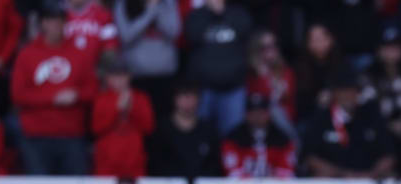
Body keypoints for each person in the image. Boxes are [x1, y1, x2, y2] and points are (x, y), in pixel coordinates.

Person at [11, 2, 97, 176]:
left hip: (72, 135)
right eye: (51, 21)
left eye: (59, 21)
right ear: (42, 24)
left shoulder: (79, 53)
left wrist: (77, 95)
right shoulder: (27, 54)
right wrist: (53, 98)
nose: (56, 25)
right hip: (36, 136)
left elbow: (93, 90)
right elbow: (18, 94)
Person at [302, 70, 394, 179]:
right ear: (334, 93)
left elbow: (389, 155)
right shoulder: (322, 118)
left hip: (368, 183)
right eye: (343, 91)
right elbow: (309, 157)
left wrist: (371, 175)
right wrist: (341, 174)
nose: (348, 95)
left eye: (352, 91)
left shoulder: (371, 116)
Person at [184, 0, 252, 136]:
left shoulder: (238, 12)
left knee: (232, 136)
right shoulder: (196, 15)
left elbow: (245, 30)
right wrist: (211, 13)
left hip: (233, 88)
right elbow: (193, 35)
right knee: (200, 136)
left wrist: (222, 12)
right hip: (204, 90)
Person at [113, 0, 181, 121]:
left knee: (163, 123)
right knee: (139, 121)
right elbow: (126, 36)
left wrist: (156, 8)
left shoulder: (168, 3)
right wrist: (150, 11)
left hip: (165, 76)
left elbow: (174, 32)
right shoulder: (123, 3)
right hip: (137, 77)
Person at [91, 57, 155, 177]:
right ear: (107, 78)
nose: (118, 80)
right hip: (107, 159)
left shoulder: (140, 98)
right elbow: (97, 128)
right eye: (114, 76)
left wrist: (131, 109)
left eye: (122, 75)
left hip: (133, 158)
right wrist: (117, 109)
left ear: (129, 77)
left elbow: (148, 128)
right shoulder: (101, 99)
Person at [147, 82, 221, 180]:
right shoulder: (162, 129)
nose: (187, 102)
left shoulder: (208, 129)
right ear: (174, 99)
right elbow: (156, 163)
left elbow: (214, 164)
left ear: (198, 99)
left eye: (191, 97)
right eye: (183, 96)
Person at [221, 93, 295, 178]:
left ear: (268, 114)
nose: (257, 117)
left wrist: (267, 183)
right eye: (253, 113)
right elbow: (233, 173)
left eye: (261, 113)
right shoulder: (233, 139)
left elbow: (287, 173)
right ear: (246, 115)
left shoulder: (282, 139)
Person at [246, 29, 296, 140]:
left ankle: (293, 145)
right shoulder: (252, 75)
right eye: (265, 47)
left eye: (274, 45)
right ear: (256, 50)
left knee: (275, 110)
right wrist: (262, 75)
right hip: (260, 120)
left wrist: (269, 78)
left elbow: (285, 96)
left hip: (284, 121)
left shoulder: (286, 71)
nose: (271, 50)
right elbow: (259, 100)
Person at [64, 0, 119, 66]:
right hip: (66, 68)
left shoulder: (103, 14)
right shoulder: (57, 16)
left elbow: (110, 47)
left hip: (95, 69)